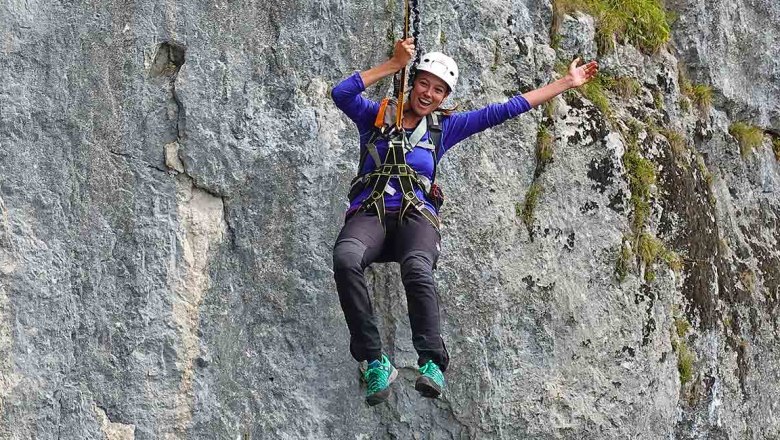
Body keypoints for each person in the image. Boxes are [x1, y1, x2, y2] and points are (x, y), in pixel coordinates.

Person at [331, 38, 598, 406]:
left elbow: (505, 109)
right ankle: (374, 361)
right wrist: (393, 63)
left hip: (415, 216)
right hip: (371, 213)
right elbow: (341, 93)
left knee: (417, 268)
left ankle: (432, 363)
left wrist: (566, 83)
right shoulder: (376, 116)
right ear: (412, 83)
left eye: (438, 90)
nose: (428, 93)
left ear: (444, 97)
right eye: (423, 83)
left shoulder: (444, 129)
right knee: (346, 259)